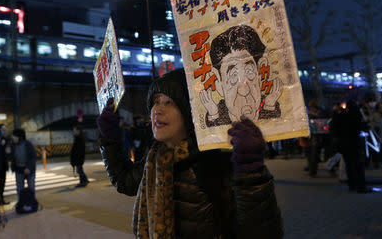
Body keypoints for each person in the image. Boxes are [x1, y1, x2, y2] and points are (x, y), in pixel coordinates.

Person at [97, 69, 284, 238]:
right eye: (155, 102)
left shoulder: (213, 162)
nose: (158, 110)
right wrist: (109, 139)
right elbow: (124, 181)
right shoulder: (156, 158)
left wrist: (250, 173)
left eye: (169, 102)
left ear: (189, 111)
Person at [199, 25, 283, 127]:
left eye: (249, 72)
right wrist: (213, 115)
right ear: (219, 83)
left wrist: (269, 106)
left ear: (260, 72)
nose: (244, 90)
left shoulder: (269, 105)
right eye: (233, 76)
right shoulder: (218, 114)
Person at [338, 100, 370, 193]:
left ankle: (351, 185)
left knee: (348, 165)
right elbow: (363, 127)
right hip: (355, 142)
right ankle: (361, 186)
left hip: (344, 143)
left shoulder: (341, 115)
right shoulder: (356, 114)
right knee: (358, 165)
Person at [10, 129, 37, 201]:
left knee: (31, 187)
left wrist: (29, 168)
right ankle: (21, 203)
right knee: (19, 188)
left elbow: (33, 157)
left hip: (29, 170)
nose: (13, 138)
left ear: (19, 137)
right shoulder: (12, 145)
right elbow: (10, 158)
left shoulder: (28, 144)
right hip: (19, 169)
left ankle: (32, 202)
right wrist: (7, 153)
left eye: (14, 136)